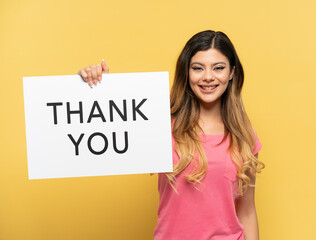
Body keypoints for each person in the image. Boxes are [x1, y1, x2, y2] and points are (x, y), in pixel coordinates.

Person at [78, 30, 265, 240]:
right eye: (197, 68)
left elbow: (247, 212)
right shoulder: (159, 126)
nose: (208, 77)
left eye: (218, 68)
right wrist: (97, 87)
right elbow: (115, 126)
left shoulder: (244, 135)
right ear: (186, 72)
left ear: (231, 72)